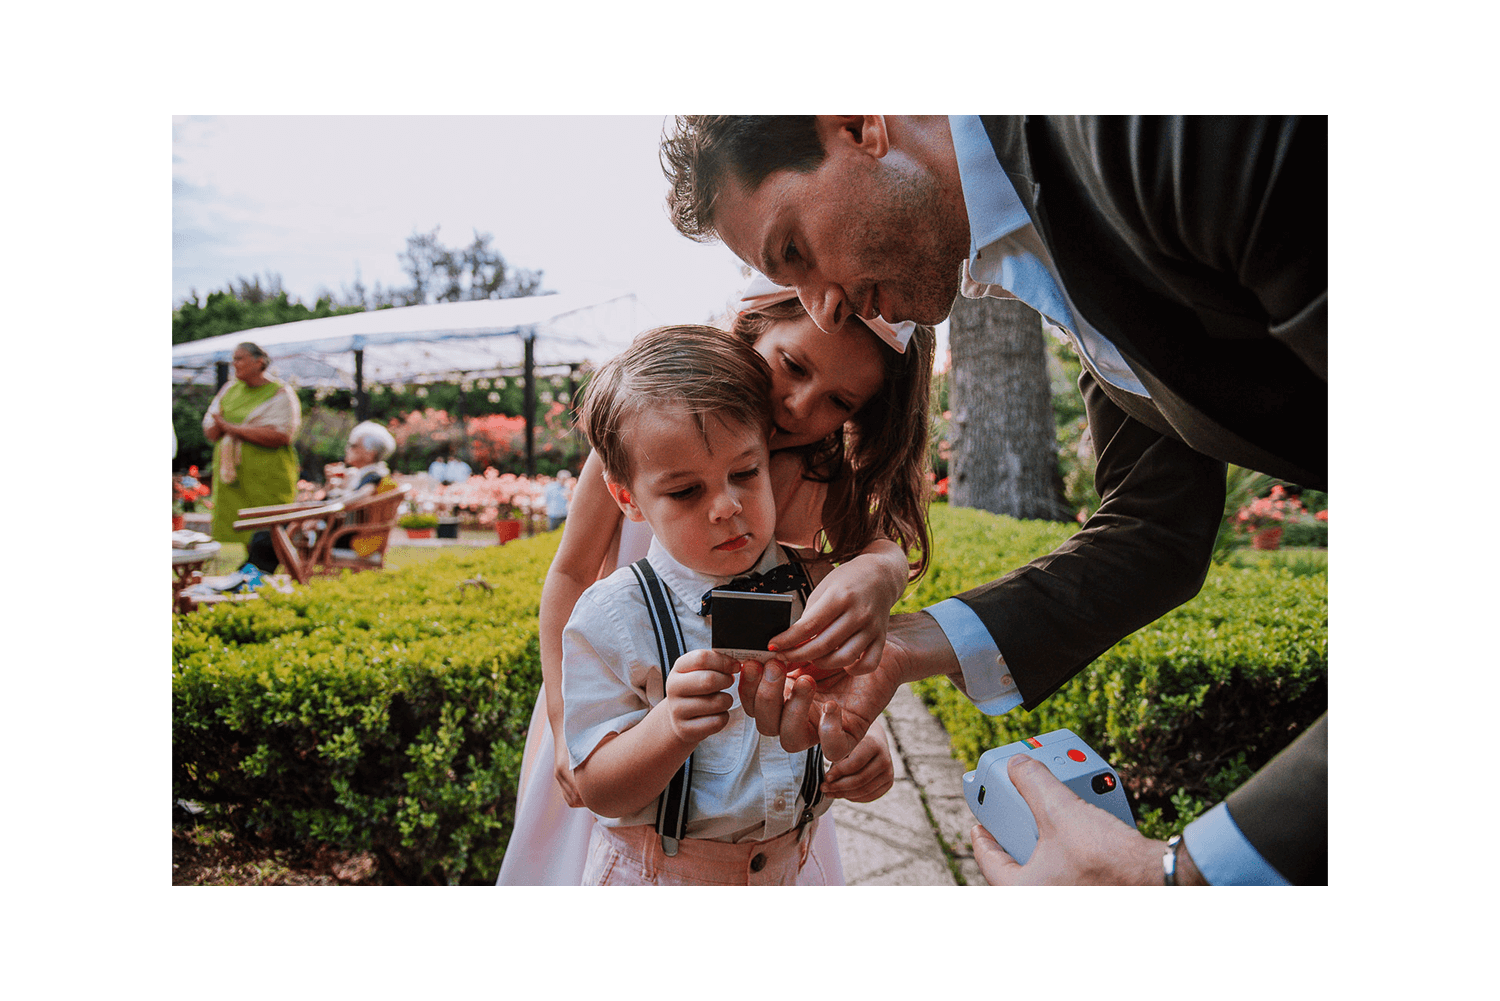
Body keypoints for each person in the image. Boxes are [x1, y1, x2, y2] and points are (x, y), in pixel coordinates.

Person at [661, 115, 1327, 885]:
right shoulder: (1052, 261)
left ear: (857, 124)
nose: (822, 308)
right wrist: (904, 646)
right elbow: (1158, 527)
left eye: (795, 251)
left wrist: (1186, 877)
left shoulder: (1135, 129)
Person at [496, 280, 936, 884]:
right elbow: (571, 571)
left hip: (753, 758)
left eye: (839, 401)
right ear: (755, 322)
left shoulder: (821, 468)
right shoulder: (643, 426)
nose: (799, 406)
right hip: (619, 706)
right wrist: (559, 717)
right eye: (793, 365)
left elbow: (832, 624)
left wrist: (863, 715)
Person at [558, 324, 890, 884]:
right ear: (627, 499)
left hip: (790, 867)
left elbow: (843, 695)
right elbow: (598, 790)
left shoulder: (818, 585)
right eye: (686, 491)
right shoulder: (612, 616)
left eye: (745, 473)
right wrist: (669, 728)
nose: (726, 506)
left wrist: (862, 744)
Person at [202, 341, 303, 575]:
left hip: (268, 477)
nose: (234, 364)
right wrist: (222, 426)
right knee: (240, 527)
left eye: (239, 358)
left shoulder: (280, 392)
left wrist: (231, 427)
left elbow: (282, 434)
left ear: (259, 362)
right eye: (233, 359)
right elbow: (211, 428)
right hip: (234, 478)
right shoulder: (229, 390)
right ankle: (251, 571)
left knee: (268, 525)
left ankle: (262, 571)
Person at [325, 421, 397, 499]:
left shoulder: (374, 480)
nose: (347, 449)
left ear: (370, 454)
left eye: (353, 446)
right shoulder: (358, 475)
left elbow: (347, 503)